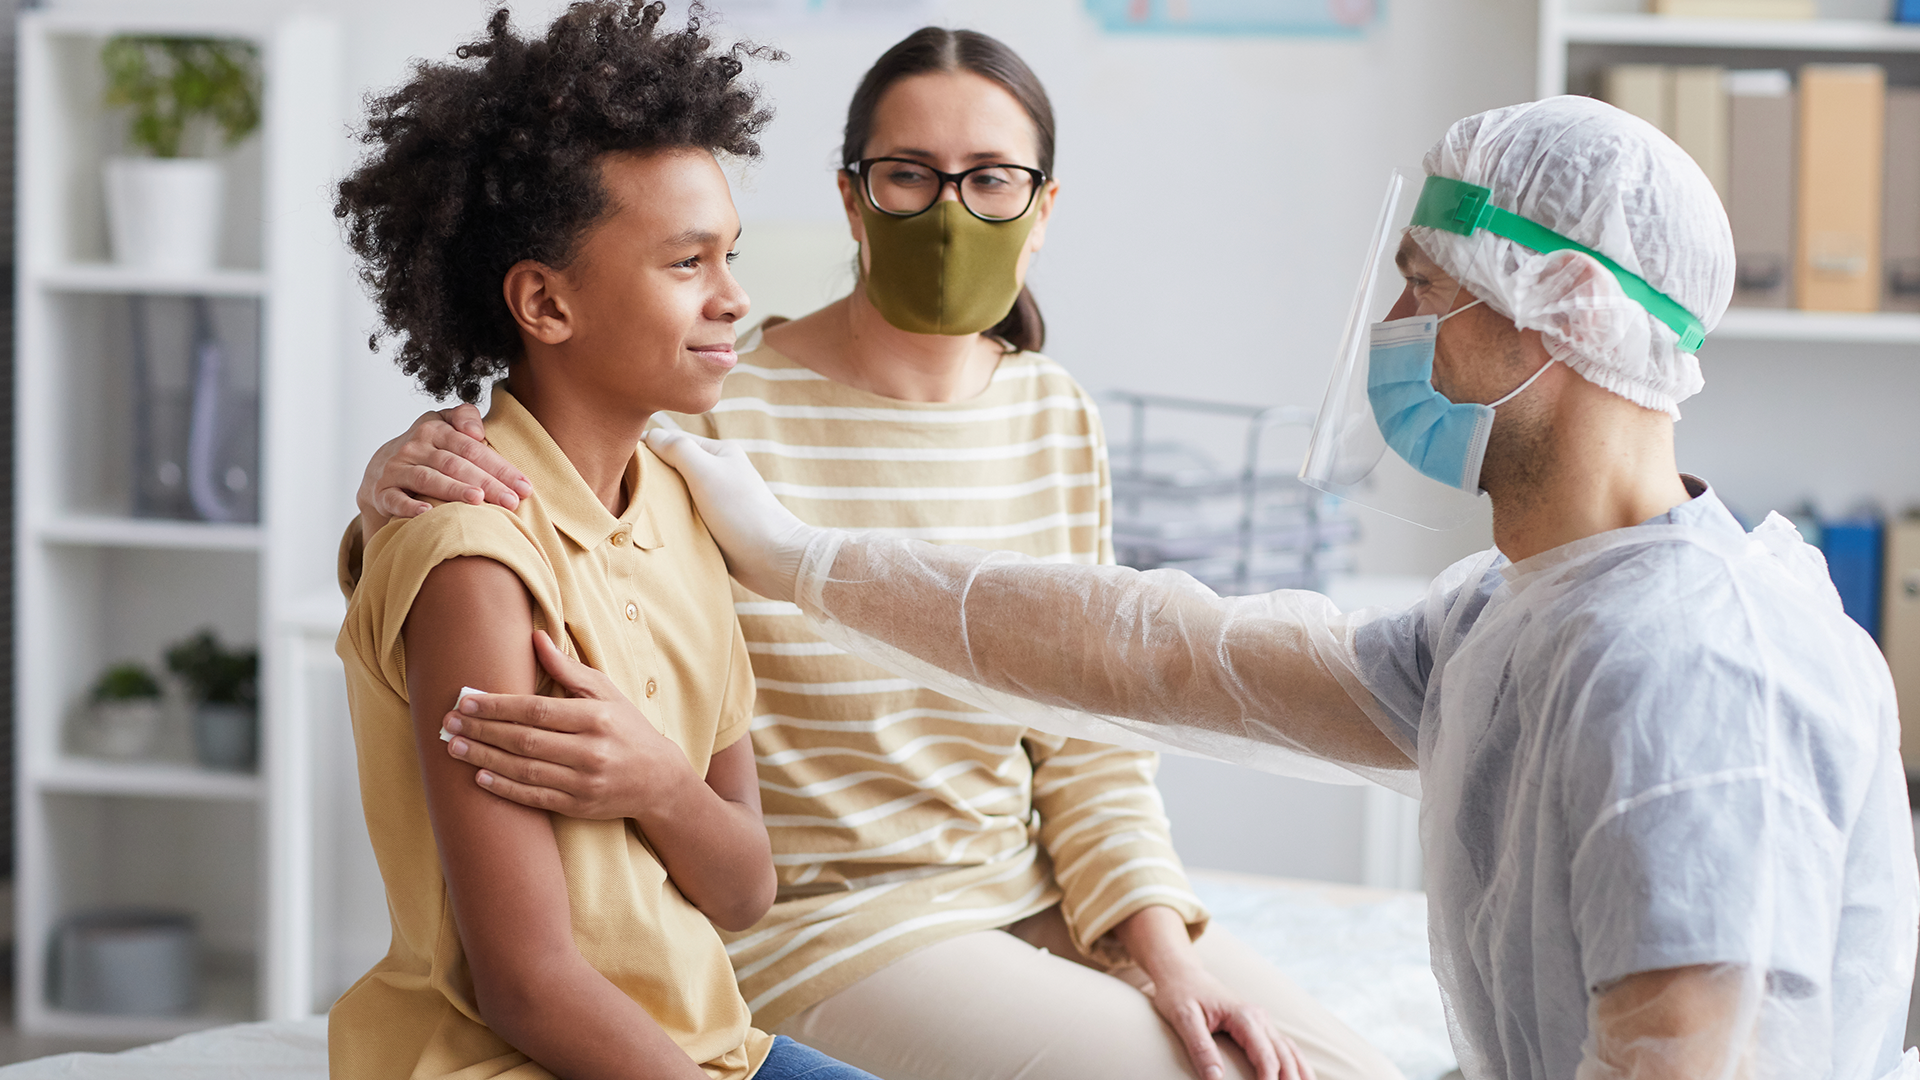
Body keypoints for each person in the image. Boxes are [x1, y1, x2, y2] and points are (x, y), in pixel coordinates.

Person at [640, 97, 1920, 1079]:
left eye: (1427, 285)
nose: (1390, 326)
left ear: (1563, 313)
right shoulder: (1527, 612)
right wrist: (805, 559)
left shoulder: (1686, 671)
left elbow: (1675, 1048)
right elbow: (1166, 655)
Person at [347, 25, 1401, 1080]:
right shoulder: (707, 416)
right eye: (908, 176)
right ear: (853, 197)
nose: (949, 210)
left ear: (1043, 207)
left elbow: (1090, 734)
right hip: (833, 929)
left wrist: (1162, 955)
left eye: (991, 177)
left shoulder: (1051, 415)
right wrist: (394, 487)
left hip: (1017, 891)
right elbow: (521, 507)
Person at [328, 6, 880, 1079]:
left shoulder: (684, 503)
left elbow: (744, 891)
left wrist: (659, 786)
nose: (737, 298)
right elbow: (527, 987)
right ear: (545, 301)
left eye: (730, 253)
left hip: (710, 1047)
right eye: (687, 262)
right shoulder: (473, 564)